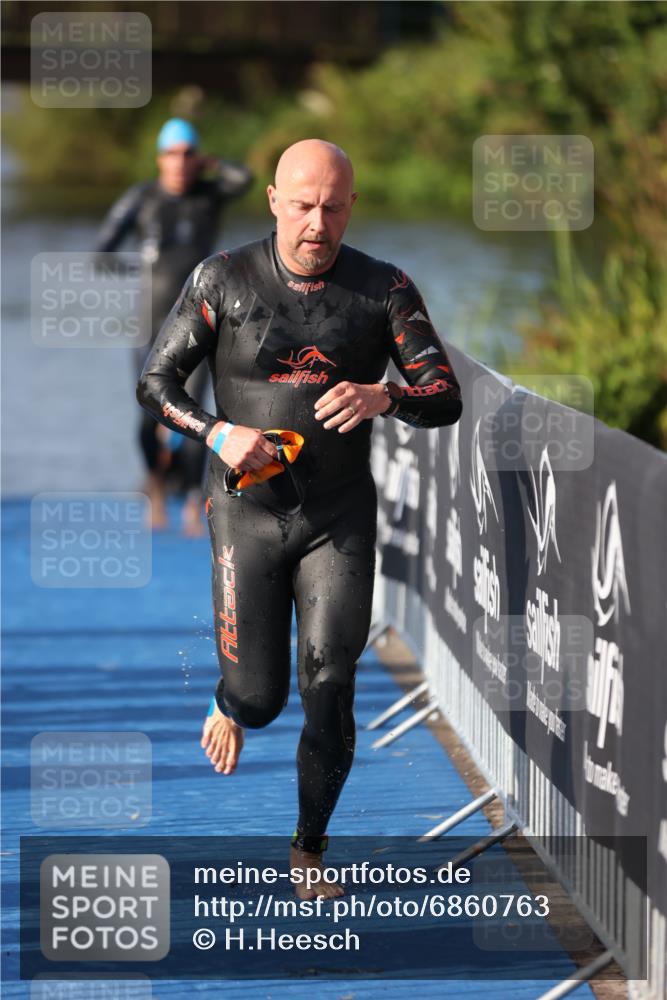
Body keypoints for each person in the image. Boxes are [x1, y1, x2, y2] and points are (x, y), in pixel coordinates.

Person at [136, 139, 462, 898]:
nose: (318, 224)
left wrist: (386, 396)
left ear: (351, 207)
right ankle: (230, 701)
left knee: (331, 685)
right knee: (260, 699)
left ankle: (308, 850)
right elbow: (155, 382)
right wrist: (217, 431)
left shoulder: (384, 289)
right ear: (275, 202)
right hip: (243, 513)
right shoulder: (223, 279)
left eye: (334, 208)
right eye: (304, 206)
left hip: (336, 517)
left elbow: (443, 396)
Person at [95, 118, 253, 534]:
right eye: (172, 154)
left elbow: (245, 178)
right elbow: (102, 250)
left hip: (200, 322)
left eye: (187, 155)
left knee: (196, 413)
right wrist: (135, 269)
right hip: (150, 323)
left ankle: (194, 501)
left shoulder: (208, 195)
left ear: (196, 158)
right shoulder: (143, 198)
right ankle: (155, 484)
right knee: (149, 416)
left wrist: (211, 164)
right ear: (159, 158)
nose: (180, 163)